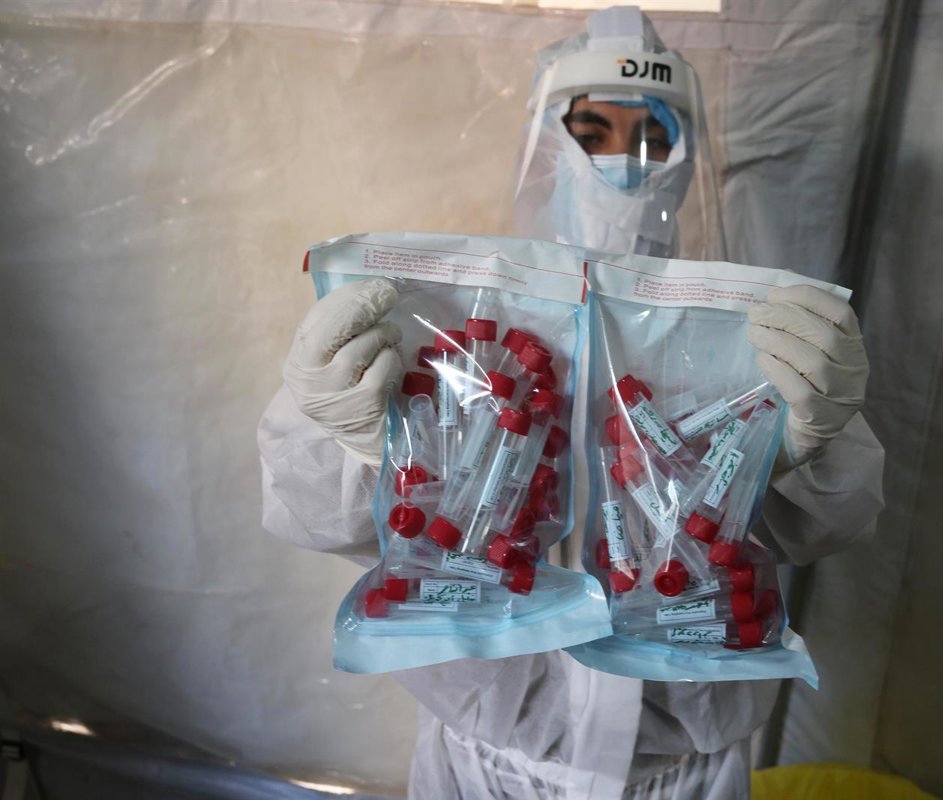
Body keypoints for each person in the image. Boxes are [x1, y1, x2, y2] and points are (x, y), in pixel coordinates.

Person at [258, 6, 884, 798]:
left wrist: (796, 450)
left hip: (683, 772)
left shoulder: (737, 330)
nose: (624, 162)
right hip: (484, 766)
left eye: (652, 136)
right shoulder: (448, 313)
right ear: (544, 146)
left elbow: (830, 523)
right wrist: (359, 445)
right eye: (591, 132)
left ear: (688, 158)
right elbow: (311, 509)